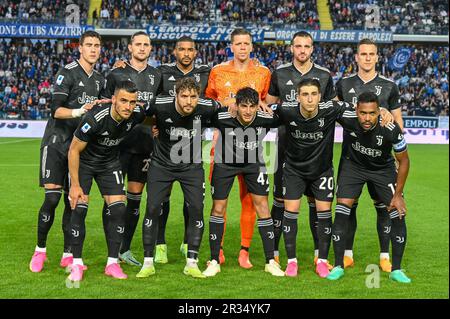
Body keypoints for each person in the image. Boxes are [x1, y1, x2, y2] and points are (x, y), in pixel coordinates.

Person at [29, 30, 105, 273]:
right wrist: (80, 111)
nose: (93, 49)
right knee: (52, 198)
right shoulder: (67, 72)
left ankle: (67, 253)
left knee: (72, 202)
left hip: (80, 147)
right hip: (56, 143)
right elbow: (55, 110)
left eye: (97, 46)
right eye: (89, 45)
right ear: (80, 48)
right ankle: (40, 250)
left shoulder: (100, 80)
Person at [271, 78, 358, 278]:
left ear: (320, 96)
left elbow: (361, 112)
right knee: (290, 213)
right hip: (294, 170)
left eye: (313, 94)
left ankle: (322, 261)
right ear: (298, 96)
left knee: (324, 214)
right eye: (305, 94)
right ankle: (292, 262)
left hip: (322, 172)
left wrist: (385, 112)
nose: (309, 99)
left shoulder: (331, 109)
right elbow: (263, 111)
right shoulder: (287, 110)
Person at [136, 77, 221, 279]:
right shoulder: (160, 104)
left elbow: (228, 110)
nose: (189, 101)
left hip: (191, 166)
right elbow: (138, 113)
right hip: (161, 164)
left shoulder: (207, 106)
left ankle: (192, 262)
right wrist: (151, 124)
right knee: (153, 208)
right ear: (176, 95)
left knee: (196, 209)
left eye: (193, 97)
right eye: (184, 96)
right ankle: (148, 262)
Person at [265, 31, 336, 267]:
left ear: (312, 49)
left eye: (306, 46)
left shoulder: (325, 76)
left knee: (317, 203)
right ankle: (274, 253)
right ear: (292, 48)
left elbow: (332, 109)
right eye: (298, 46)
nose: (302, 50)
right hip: (286, 149)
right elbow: (270, 106)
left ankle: (319, 252)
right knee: (279, 201)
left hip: (317, 152)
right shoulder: (280, 73)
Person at [327, 91, 410, 283]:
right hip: (353, 167)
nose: (367, 118)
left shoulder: (390, 128)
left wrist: (398, 195)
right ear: (356, 111)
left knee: (398, 213)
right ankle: (338, 265)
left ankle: (396, 269)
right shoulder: (347, 118)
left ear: (378, 112)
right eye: (363, 113)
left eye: (372, 113)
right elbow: (327, 104)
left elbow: (404, 161)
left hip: (382, 169)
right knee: (341, 211)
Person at [205, 28, 271, 269]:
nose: (242, 47)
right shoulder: (218, 72)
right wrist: (229, 102)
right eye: (238, 44)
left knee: (251, 201)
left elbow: (262, 102)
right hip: (222, 148)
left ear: (252, 46)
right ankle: (218, 250)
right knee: (219, 202)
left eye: (246, 43)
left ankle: (245, 250)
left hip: (253, 148)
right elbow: (209, 103)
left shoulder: (263, 73)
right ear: (231, 47)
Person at [336, 38, 403, 272]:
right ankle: (347, 254)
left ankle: (385, 256)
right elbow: (334, 111)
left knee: (383, 207)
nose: (366, 58)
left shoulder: (389, 86)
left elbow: (399, 124)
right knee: (348, 206)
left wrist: (387, 115)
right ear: (356, 57)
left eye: (371, 54)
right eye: (362, 54)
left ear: (377, 57)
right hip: (351, 157)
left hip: (380, 160)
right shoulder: (343, 84)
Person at [67, 81, 145, 282]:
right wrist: (75, 185)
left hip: (109, 163)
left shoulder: (136, 114)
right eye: (123, 101)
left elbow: (152, 113)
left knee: (119, 209)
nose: (128, 106)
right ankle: (76, 263)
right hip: (85, 163)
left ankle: (112, 263)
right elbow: (74, 149)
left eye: (132, 102)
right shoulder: (95, 118)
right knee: (79, 207)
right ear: (113, 99)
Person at [202, 87, 284, 277]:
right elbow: (200, 113)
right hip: (225, 164)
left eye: (252, 106)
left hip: (255, 164)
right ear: (236, 106)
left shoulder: (267, 118)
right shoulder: (222, 117)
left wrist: (270, 105)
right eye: (244, 106)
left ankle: (270, 261)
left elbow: (290, 114)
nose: (248, 111)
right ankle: (214, 260)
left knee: (262, 207)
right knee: (218, 208)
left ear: (258, 106)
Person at [101, 31, 162, 267]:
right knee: (113, 201)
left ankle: (124, 249)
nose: (142, 48)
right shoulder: (115, 73)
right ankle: (111, 251)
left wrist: (156, 124)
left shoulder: (157, 75)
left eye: (146, 44)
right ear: (130, 47)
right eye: (138, 44)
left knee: (135, 199)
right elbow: (105, 106)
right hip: (117, 146)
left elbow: (160, 107)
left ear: (150, 48)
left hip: (145, 146)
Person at [156, 36, 211, 263]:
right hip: (166, 145)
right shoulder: (161, 72)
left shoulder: (207, 73)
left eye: (190, 50)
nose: (186, 53)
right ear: (175, 52)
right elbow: (151, 102)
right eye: (182, 49)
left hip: (193, 144)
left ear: (196, 52)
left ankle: (188, 241)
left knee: (194, 200)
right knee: (162, 197)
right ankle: (159, 244)